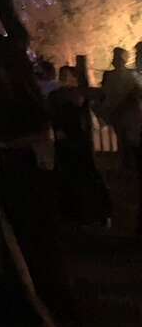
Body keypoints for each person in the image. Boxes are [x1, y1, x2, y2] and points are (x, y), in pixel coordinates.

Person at [48, 66, 112, 226]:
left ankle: (94, 211)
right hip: (67, 141)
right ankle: (75, 212)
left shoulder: (76, 94)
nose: (65, 79)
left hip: (77, 140)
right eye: (63, 75)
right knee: (70, 175)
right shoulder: (57, 95)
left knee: (84, 173)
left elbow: (100, 97)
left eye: (68, 76)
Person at [100, 47, 142, 171]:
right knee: (124, 141)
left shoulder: (131, 74)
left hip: (129, 114)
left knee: (131, 142)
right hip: (121, 113)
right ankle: (128, 167)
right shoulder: (111, 75)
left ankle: (130, 167)